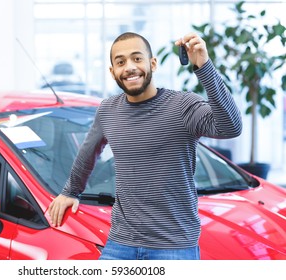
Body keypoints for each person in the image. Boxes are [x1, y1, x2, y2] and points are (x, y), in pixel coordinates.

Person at [48, 32, 242, 260]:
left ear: (153, 63)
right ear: (113, 72)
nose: (129, 67)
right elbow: (87, 154)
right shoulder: (108, 110)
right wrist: (70, 191)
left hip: (174, 246)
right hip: (120, 243)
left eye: (137, 59)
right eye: (120, 62)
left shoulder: (182, 106)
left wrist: (204, 66)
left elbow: (231, 127)